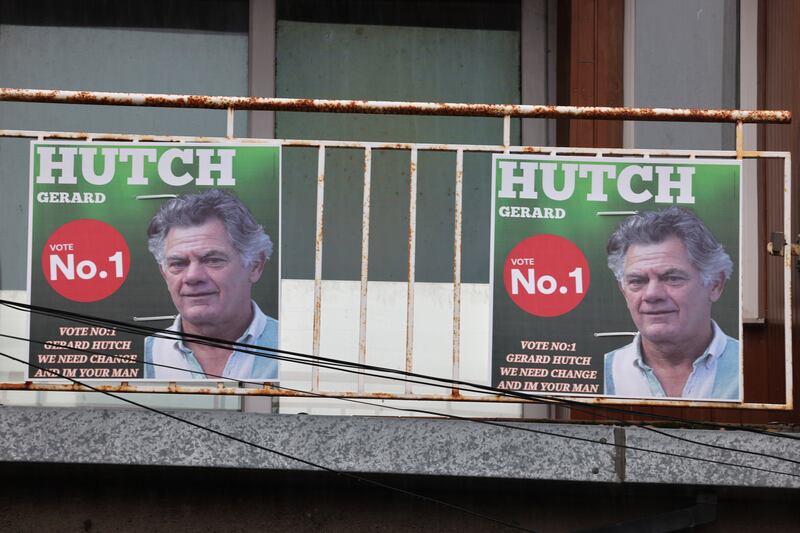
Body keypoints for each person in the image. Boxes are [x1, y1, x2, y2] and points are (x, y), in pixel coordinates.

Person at [604, 207, 739, 400]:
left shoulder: (757, 370)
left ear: (715, 285)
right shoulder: (601, 372)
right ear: (623, 291)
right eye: (637, 281)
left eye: (672, 278)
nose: (652, 295)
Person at [143, 189, 278, 380]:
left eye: (212, 260)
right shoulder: (143, 354)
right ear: (164, 273)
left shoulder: (297, 347)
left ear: (255, 266)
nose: (192, 277)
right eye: (178, 264)